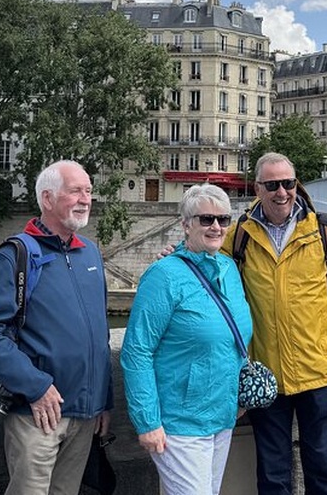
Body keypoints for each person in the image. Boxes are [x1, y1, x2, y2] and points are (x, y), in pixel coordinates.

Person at [0, 160, 112, 494]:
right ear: (47, 198)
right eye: (75, 191)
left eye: (88, 190)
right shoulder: (15, 255)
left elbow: (99, 336)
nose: (86, 198)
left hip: (85, 414)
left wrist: (104, 401)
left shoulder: (91, 254)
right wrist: (36, 385)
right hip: (36, 413)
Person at [229, 152, 327, 495]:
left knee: (326, 472)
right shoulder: (240, 234)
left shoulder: (323, 231)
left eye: (288, 183)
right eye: (272, 185)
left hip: (319, 371)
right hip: (266, 375)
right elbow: (205, 261)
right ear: (258, 188)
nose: (282, 192)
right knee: (272, 476)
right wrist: (176, 258)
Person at [121, 183, 252, 494]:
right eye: (206, 219)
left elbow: (232, 339)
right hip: (180, 422)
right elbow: (137, 350)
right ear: (186, 224)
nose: (216, 227)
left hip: (222, 416)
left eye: (223, 219)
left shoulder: (229, 268)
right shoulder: (164, 275)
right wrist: (147, 421)